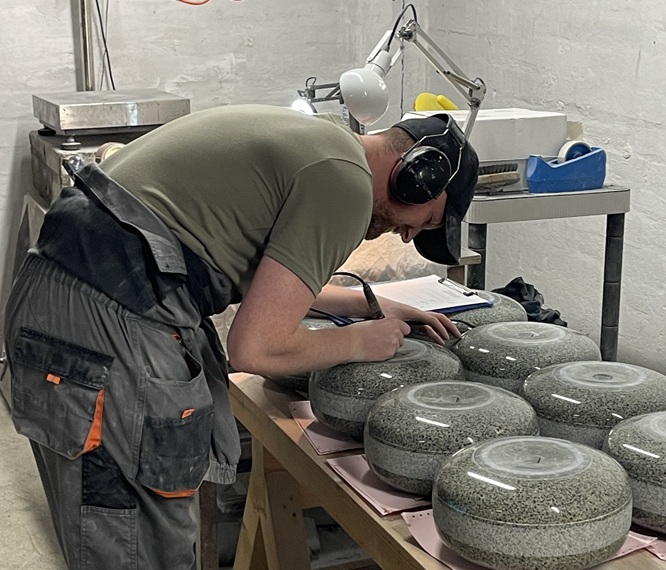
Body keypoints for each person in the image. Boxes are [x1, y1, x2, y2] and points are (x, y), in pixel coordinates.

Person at [4, 104, 478, 568]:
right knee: (136, 545)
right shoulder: (347, 185)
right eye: (429, 221)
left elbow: (265, 273)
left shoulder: (325, 144)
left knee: (109, 533)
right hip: (109, 322)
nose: (408, 235)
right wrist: (359, 342)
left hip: (62, 297)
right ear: (423, 173)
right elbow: (255, 347)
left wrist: (365, 303)